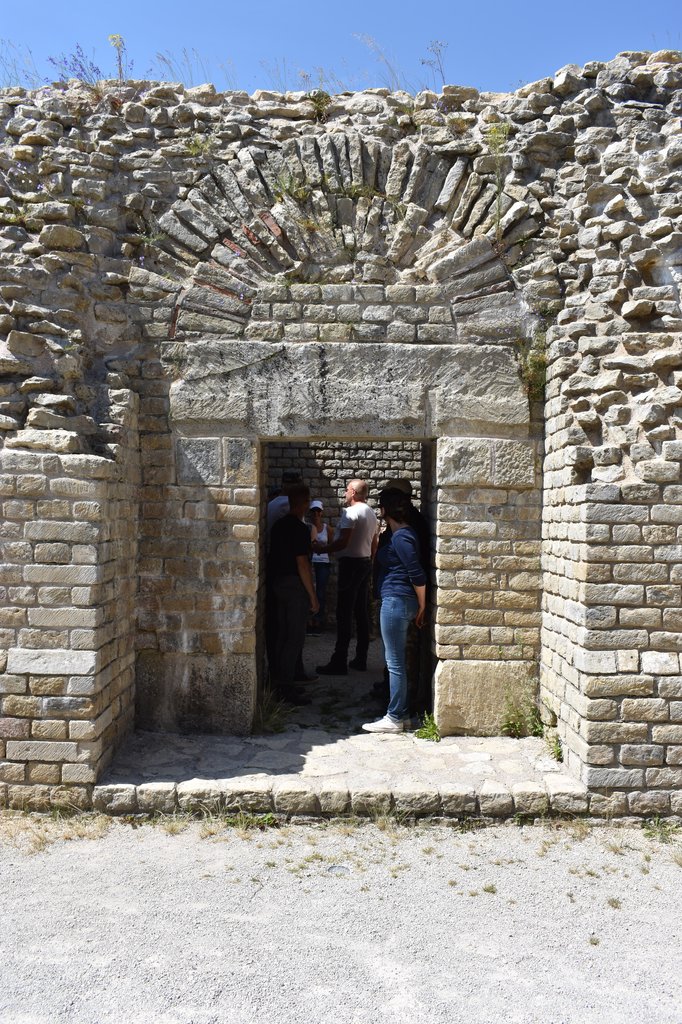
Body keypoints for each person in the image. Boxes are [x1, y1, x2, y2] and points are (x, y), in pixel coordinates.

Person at [362, 488, 426, 733]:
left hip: (396, 601)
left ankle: (395, 717)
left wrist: (422, 605)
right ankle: (403, 714)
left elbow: (416, 573)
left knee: (395, 663)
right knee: (396, 661)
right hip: (400, 600)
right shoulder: (401, 534)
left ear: (384, 510)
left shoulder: (401, 537)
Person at [315, 478, 378, 676]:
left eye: (346, 490)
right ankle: (361, 658)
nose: (344, 493)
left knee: (344, 612)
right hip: (364, 563)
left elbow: (343, 542)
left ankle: (339, 661)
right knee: (361, 611)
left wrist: (323, 549)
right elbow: (374, 543)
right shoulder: (371, 513)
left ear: (353, 492)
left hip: (350, 565)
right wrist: (370, 560)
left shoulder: (350, 513)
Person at [268, 484, 319, 705]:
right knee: (294, 637)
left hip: (278, 583)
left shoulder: (278, 526)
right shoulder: (300, 529)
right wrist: (313, 596)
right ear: (305, 503)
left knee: (282, 635)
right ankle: (286, 688)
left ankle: (280, 682)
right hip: (294, 585)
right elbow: (302, 564)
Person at [308, 499, 330, 634]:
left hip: (323, 563)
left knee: (320, 592)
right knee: (311, 591)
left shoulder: (327, 529)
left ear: (321, 513)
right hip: (311, 562)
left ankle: (318, 621)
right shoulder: (308, 527)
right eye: (313, 511)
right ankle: (310, 621)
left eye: (318, 511)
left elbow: (332, 545)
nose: (316, 514)